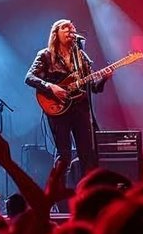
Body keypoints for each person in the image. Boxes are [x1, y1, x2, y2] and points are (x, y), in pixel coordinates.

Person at [24, 19, 110, 183]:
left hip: (80, 108)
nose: (71, 30)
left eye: (72, 28)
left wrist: (104, 78)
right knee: (64, 154)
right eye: (66, 28)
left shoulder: (81, 56)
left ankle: (88, 190)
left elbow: (93, 88)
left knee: (87, 153)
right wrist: (51, 87)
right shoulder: (46, 55)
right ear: (56, 33)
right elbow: (29, 77)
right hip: (57, 107)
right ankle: (57, 190)